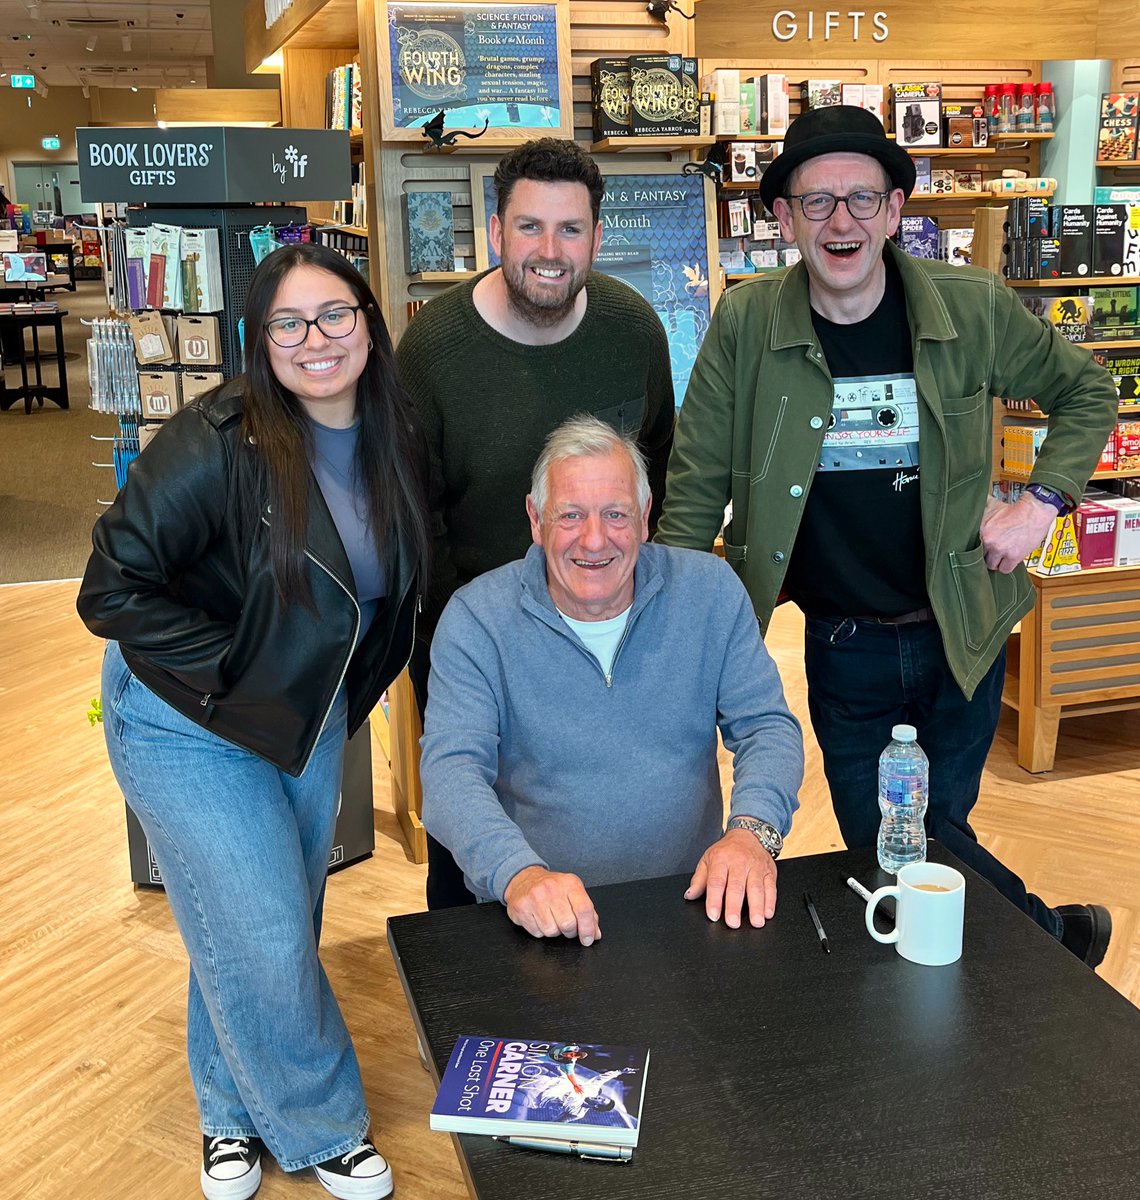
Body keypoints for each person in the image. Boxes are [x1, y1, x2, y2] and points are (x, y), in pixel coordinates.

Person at [654, 104, 1120, 968]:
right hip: (844, 645)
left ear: (898, 209)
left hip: (964, 633)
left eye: (863, 199)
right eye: (817, 201)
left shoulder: (972, 306)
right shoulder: (747, 324)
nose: (842, 222)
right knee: (889, 845)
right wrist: (687, 649)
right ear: (785, 216)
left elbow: (1085, 394)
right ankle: (1051, 941)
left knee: (939, 832)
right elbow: (693, 492)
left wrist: (1042, 502)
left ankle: (1012, 961)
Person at [77, 242, 430, 1200]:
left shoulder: (398, 430)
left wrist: (337, 700)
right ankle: (320, 1128)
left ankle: (229, 1117)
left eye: (335, 316)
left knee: (251, 923)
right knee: (267, 930)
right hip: (183, 717)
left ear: (368, 321)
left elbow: (388, 595)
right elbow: (110, 589)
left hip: (304, 715)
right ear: (258, 340)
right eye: (288, 322)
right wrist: (236, 672)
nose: (316, 340)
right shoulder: (215, 438)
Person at [397, 137, 676, 908]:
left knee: (610, 823)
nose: (549, 252)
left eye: (571, 229)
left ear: (595, 235)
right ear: (494, 231)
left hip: (611, 637)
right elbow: (417, 527)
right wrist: (455, 648)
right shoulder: (432, 351)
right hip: (474, 647)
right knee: (471, 851)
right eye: (529, 228)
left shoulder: (632, 330)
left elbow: (660, 472)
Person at [419, 415, 803, 944]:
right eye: (570, 514)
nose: (594, 540)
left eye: (615, 514)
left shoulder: (710, 592)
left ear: (645, 516)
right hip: (537, 921)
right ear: (535, 519)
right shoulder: (477, 618)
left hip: (690, 906)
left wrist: (752, 832)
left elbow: (767, 728)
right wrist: (517, 874)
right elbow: (450, 771)